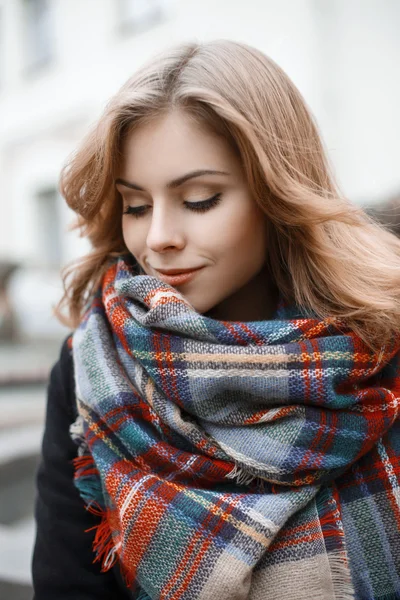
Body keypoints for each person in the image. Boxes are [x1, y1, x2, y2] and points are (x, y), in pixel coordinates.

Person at [32, 39, 400, 600]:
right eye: (135, 205)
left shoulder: (380, 345)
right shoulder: (95, 363)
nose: (158, 238)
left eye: (200, 199)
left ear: (278, 192)